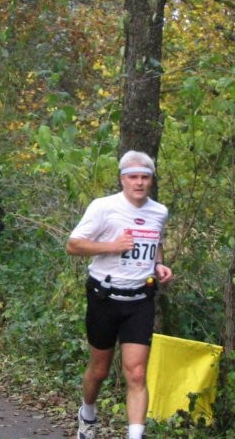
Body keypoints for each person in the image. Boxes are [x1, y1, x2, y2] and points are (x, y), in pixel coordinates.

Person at [65, 150, 174, 439]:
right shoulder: (103, 207)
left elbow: (156, 242)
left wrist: (160, 264)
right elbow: (73, 245)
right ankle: (87, 412)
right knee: (99, 370)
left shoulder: (159, 211)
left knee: (136, 373)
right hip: (104, 297)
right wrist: (111, 247)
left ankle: (134, 435)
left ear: (151, 180)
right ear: (123, 179)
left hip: (140, 299)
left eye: (145, 177)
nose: (139, 183)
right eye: (133, 177)